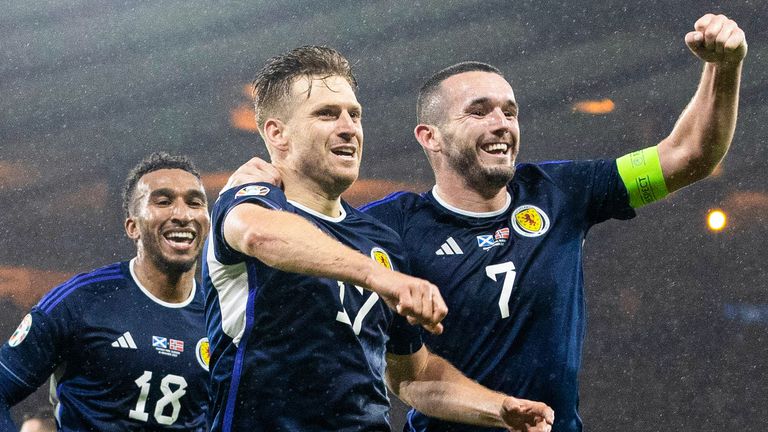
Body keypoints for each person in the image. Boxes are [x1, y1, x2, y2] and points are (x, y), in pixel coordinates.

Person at [227, 14, 747, 432]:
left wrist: (724, 68)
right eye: (479, 111)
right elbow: (408, 376)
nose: (502, 124)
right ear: (429, 137)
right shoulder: (388, 230)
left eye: (510, 111)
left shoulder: (563, 192)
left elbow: (691, 155)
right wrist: (270, 185)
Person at [203, 45, 554, 432]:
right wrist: (378, 277)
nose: (348, 127)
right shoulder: (247, 203)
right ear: (277, 132)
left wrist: (498, 408)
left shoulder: (377, 238)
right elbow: (258, 235)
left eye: (354, 115)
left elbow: (412, 374)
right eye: (326, 114)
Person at [0, 152, 212, 431]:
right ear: (132, 227)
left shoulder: (221, 317)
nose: (183, 214)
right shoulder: (80, 301)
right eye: (163, 201)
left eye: (195, 202)